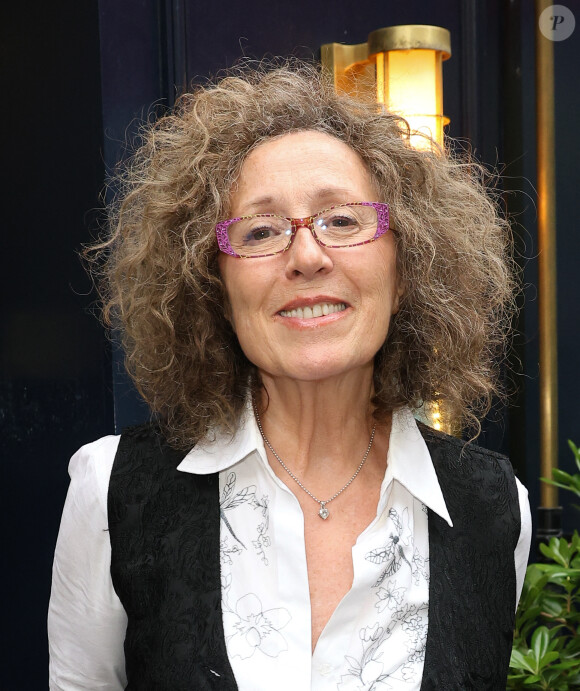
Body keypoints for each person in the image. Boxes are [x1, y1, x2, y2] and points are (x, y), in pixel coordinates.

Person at [48, 62, 531, 690]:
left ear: (407, 268)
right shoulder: (110, 492)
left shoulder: (494, 509)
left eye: (343, 220)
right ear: (214, 287)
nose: (306, 256)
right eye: (261, 230)